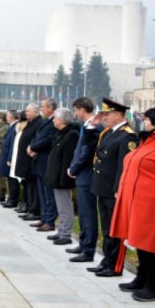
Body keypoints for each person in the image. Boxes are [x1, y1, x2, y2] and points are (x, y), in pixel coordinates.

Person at [110, 107, 155, 302]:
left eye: (146, 119)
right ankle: (141, 277)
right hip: (136, 202)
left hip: (152, 204)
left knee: (152, 244)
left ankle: (154, 286)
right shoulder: (148, 140)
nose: (143, 122)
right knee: (138, 241)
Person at [86, 97, 138, 278]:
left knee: (115, 229)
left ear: (117, 115)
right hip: (102, 186)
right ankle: (107, 260)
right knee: (107, 227)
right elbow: (92, 148)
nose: (104, 117)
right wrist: (92, 126)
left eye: (107, 114)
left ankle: (114, 265)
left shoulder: (128, 135)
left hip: (113, 190)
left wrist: (118, 189)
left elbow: (123, 166)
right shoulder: (108, 133)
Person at [66, 97, 102, 263]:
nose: (75, 113)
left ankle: (88, 249)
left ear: (82, 109)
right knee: (82, 213)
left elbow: (87, 153)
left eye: (76, 110)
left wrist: (74, 169)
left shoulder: (95, 127)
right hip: (82, 174)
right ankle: (83, 242)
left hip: (87, 174)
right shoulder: (85, 126)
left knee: (88, 213)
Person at [44, 108, 79, 245]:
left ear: (62, 120)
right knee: (60, 206)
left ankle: (66, 233)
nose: (53, 120)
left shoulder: (71, 135)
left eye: (55, 118)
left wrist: (65, 178)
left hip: (62, 177)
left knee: (65, 206)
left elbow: (67, 160)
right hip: (56, 176)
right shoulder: (61, 133)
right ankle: (61, 229)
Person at [27, 98, 58, 232]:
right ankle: (44, 218)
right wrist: (32, 147)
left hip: (46, 161)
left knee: (48, 193)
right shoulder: (45, 122)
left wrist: (33, 147)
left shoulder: (54, 122)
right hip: (39, 160)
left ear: (50, 108)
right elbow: (37, 136)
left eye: (43, 107)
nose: (41, 109)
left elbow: (48, 140)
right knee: (42, 193)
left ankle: (50, 221)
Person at [16, 104, 42, 221]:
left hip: (31, 160)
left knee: (33, 187)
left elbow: (36, 139)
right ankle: (29, 207)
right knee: (28, 186)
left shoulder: (38, 123)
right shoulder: (31, 122)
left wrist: (32, 148)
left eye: (28, 111)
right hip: (25, 160)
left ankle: (34, 209)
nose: (26, 113)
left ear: (36, 112)